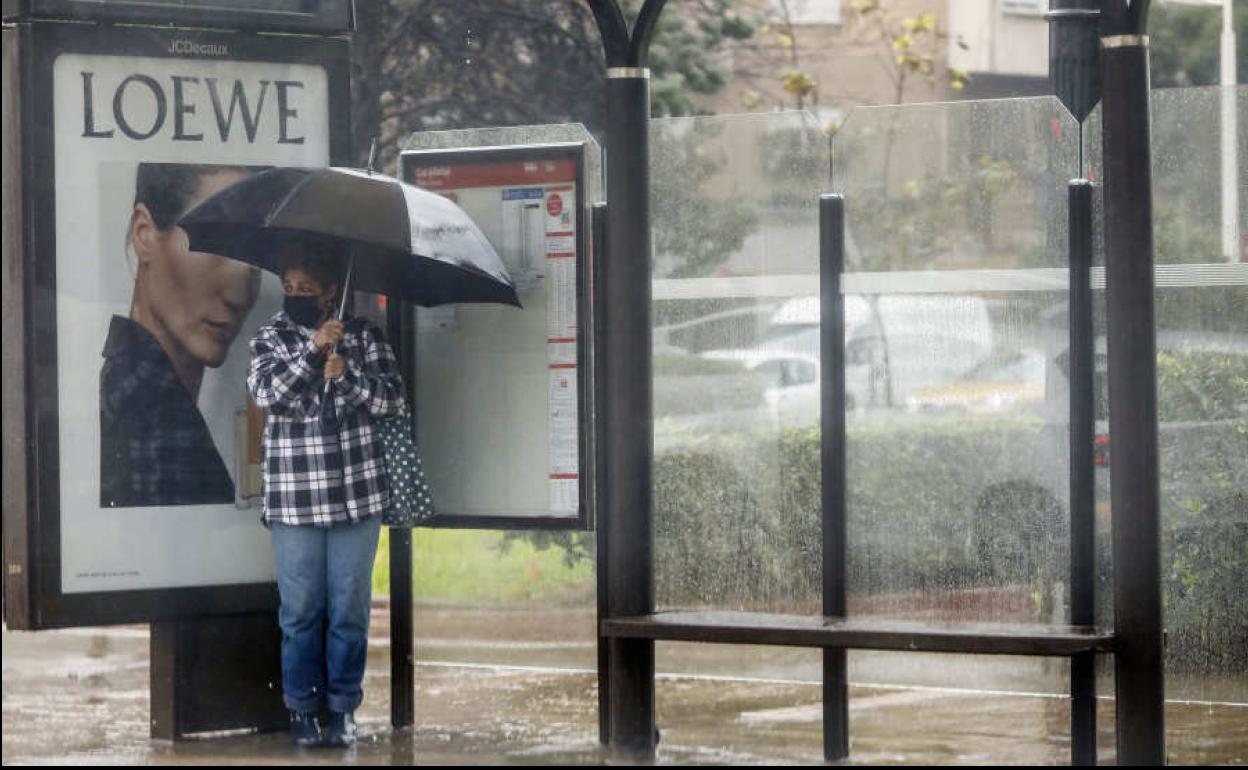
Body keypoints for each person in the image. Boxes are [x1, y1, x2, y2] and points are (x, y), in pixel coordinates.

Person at [247, 247, 405, 749]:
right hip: (295, 499)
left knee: (349, 609)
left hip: (357, 496)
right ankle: (301, 710)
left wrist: (350, 377)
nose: (295, 297)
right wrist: (314, 350)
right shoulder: (270, 337)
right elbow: (268, 394)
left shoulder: (364, 336)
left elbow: (394, 399)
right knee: (299, 611)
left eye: (305, 289)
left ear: (331, 290)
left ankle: (342, 709)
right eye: (289, 289)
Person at [100, 163, 263, 508]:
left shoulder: (139, 392)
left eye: (255, 255)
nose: (239, 294)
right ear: (145, 234)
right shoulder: (152, 415)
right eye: (216, 244)